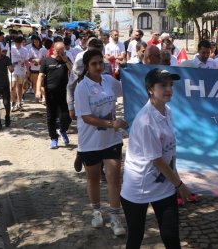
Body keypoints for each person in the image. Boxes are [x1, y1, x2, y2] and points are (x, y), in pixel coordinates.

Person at [121, 68, 192, 248]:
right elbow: (158, 160)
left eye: (171, 85)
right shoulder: (146, 121)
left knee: (171, 236)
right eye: (163, 85)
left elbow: (169, 153)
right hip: (139, 186)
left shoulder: (166, 110)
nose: (169, 89)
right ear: (151, 89)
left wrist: (176, 180)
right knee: (135, 237)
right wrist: (180, 185)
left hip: (164, 185)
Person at [74, 50, 127, 236]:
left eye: (100, 63)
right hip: (90, 141)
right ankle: (96, 211)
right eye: (94, 64)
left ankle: (115, 216)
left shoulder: (109, 81)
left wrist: (132, 70)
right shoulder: (82, 88)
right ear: (87, 67)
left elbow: (129, 88)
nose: (98, 67)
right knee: (94, 178)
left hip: (112, 139)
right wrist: (111, 123)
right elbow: (86, 117)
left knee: (114, 178)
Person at [36, 42, 73, 149]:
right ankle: (53, 138)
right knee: (51, 117)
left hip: (64, 93)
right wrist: (38, 90)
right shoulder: (46, 60)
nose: (62, 52)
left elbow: (73, 71)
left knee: (67, 116)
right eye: (60, 50)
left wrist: (65, 60)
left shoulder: (66, 60)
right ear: (54, 50)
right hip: (50, 93)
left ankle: (62, 130)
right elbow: (40, 76)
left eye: (63, 50)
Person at [10, 36, 29, 111]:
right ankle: (13, 102)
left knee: (20, 87)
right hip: (13, 70)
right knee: (13, 86)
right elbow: (7, 58)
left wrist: (28, 70)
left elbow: (27, 61)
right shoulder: (11, 48)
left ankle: (19, 102)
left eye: (19, 43)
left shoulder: (25, 50)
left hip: (21, 70)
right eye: (16, 43)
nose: (18, 45)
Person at [27, 35, 44, 100]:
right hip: (34, 68)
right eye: (34, 42)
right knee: (35, 83)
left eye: (37, 42)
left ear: (40, 41)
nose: (36, 43)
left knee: (42, 83)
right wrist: (34, 60)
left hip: (42, 68)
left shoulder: (43, 48)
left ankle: (43, 96)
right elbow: (28, 59)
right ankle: (36, 95)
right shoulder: (31, 49)